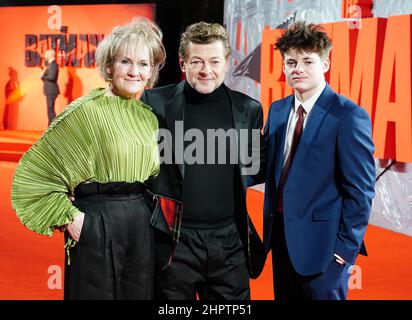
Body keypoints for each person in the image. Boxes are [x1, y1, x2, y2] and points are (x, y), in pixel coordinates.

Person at [11, 17, 166, 300]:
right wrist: (70, 218)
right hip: (96, 221)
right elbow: (32, 178)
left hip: (141, 226)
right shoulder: (83, 112)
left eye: (143, 64)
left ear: (151, 71)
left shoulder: (149, 117)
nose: (135, 72)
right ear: (109, 66)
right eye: (125, 62)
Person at [250, 21, 375, 300]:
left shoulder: (348, 116)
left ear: (326, 64)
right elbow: (264, 166)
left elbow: (361, 193)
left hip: (325, 250)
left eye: (308, 61)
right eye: (291, 62)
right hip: (280, 238)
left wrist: (343, 254)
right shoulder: (279, 109)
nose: (298, 68)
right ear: (283, 67)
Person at [141, 21, 266, 300]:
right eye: (196, 61)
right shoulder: (154, 103)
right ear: (183, 63)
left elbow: (255, 166)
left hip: (230, 243)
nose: (206, 70)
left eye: (214, 61)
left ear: (227, 63)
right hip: (175, 242)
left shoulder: (250, 109)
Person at [41, 49, 60, 125]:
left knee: (51, 111)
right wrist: (43, 76)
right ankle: (51, 129)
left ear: (50, 55)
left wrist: (43, 76)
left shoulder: (53, 65)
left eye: (46, 54)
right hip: (50, 90)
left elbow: (52, 77)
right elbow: (48, 78)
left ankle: (53, 129)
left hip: (51, 90)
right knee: (50, 110)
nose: (45, 56)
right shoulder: (51, 65)